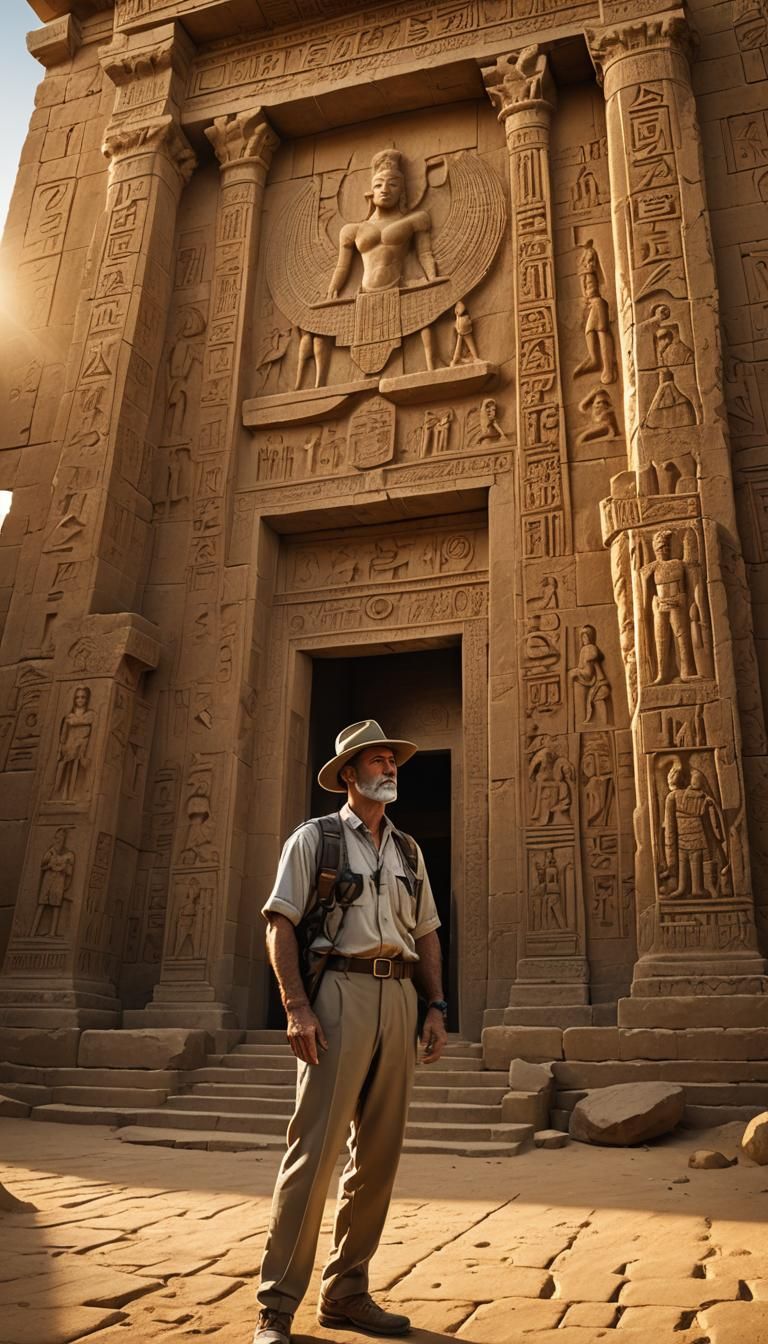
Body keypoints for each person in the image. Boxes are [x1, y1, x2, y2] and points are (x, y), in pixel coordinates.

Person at [254, 719, 447, 1344]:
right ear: (348, 774)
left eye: (394, 760)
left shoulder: (408, 850)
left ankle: (347, 1292)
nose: (390, 768)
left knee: (379, 1157)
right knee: (314, 1153)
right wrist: (296, 1007)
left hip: (399, 995)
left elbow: (425, 935)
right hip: (337, 993)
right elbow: (279, 923)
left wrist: (436, 1006)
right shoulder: (315, 840)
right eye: (378, 760)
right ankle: (276, 1307)